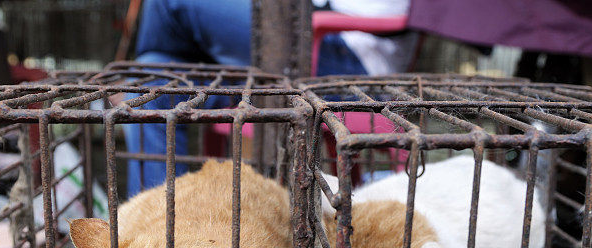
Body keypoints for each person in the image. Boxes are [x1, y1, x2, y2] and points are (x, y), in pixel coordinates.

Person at [123, 0, 415, 196]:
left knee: (164, 11)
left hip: (347, 49)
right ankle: (159, 235)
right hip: (300, 29)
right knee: (149, 81)